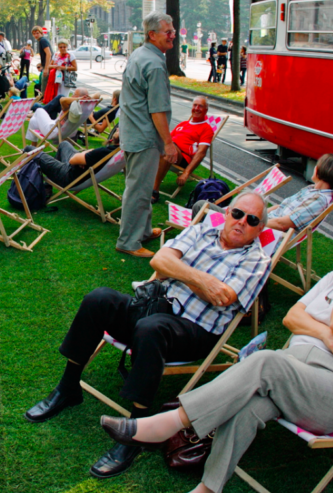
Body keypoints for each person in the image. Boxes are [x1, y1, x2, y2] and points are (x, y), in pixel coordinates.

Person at [100, 215, 333, 493]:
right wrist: (323, 333)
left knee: (267, 361)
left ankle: (168, 423)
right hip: (294, 378)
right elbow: (292, 318)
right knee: (250, 404)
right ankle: (208, 489)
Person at [25, 191, 272, 478]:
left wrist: (179, 270)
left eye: (252, 220)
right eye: (238, 213)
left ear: (259, 229)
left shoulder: (257, 260)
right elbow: (159, 261)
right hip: (158, 305)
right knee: (99, 299)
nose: (242, 222)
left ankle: (139, 430)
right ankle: (68, 388)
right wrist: (200, 279)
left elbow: (224, 297)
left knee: (151, 328)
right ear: (227, 212)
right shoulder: (204, 229)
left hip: (196, 330)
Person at [117, 11, 180, 258]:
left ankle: (141, 231)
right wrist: (169, 143)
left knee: (140, 187)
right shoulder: (153, 63)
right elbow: (158, 110)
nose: (173, 35)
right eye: (168, 31)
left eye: (173, 30)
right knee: (138, 189)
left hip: (136, 133)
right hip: (143, 137)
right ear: (152, 35)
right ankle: (129, 242)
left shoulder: (141, 54)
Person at [192, 153, 333, 233]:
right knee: (205, 207)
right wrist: (250, 214)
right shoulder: (311, 190)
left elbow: (283, 224)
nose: (315, 167)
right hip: (258, 222)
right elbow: (280, 207)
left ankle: (200, 245)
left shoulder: (319, 200)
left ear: (323, 170)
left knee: (201, 207)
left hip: (263, 230)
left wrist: (248, 221)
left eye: (318, 164)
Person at [151, 96, 214, 203]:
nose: (197, 108)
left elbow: (201, 153)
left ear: (206, 110)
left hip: (182, 157)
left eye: (201, 106)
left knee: (168, 150)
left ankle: (154, 192)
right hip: (170, 150)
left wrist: (186, 173)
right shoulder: (183, 124)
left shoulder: (206, 129)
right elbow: (167, 139)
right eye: (195, 105)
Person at [26, 88, 98, 144]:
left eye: (73, 94)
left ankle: (30, 114)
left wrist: (78, 99)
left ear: (77, 97)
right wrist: (86, 98)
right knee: (33, 120)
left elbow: (62, 100)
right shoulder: (87, 107)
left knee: (39, 110)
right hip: (65, 132)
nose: (71, 96)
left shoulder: (72, 107)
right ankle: (32, 148)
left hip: (53, 132)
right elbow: (98, 94)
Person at [32, 140, 117, 188]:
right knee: (64, 144)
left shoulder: (104, 152)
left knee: (30, 150)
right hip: (78, 173)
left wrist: (83, 156)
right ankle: (48, 185)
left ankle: (28, 187)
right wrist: (83, 157)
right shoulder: (117, 152)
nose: (116, 129)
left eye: (118, 129)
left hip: (68, 175)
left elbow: (72, 160)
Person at [32, 26, 52, 94]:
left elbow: (48, 54)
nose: (36, 35)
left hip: (48, 67)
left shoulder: (42, 40)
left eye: (37, 33)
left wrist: (46, 68)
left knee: (44, 88)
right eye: (34, 33)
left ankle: (44, 101)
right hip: (47, 66)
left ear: (41, 33)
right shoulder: (42, 40)